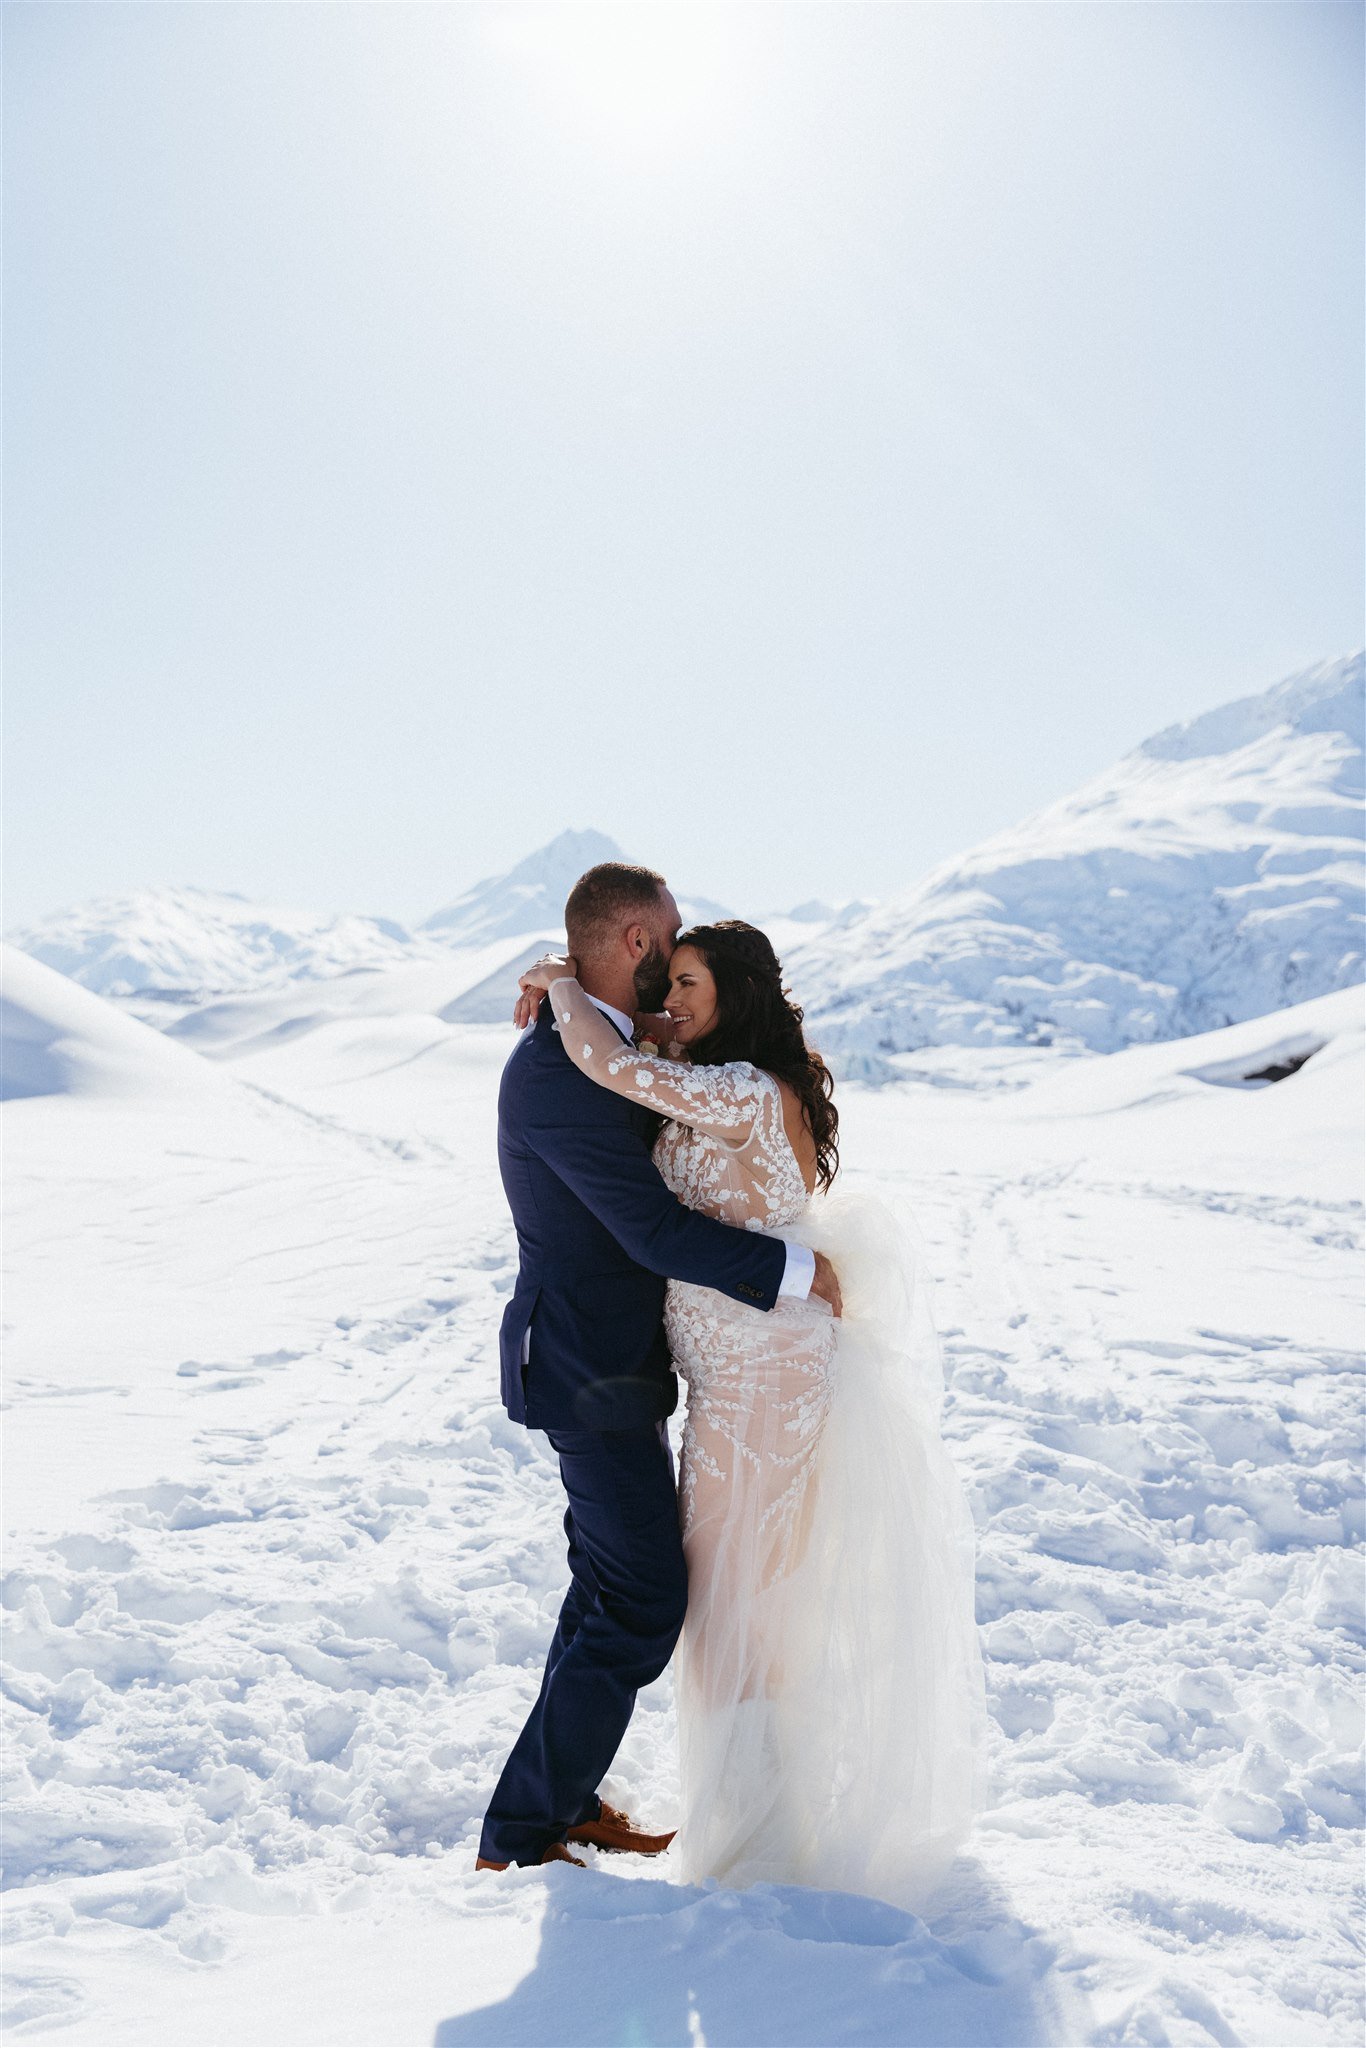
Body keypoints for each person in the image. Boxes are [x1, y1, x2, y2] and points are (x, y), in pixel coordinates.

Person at [514, 917, 988, 1908]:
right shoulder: (722, 1077)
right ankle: (755, 1815)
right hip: (737, 1376)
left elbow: (607, 1062)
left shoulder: (735, 1092)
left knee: (735, 1598)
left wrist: (563, 983)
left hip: (761, 1379)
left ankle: (757, 1842)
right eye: (664, 984)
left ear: (737, 992)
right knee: (739, 1594)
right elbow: (631, 1047)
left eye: (689, 984)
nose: (670, 1002)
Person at [476, 863, 842, 1872]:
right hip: (586, 1363)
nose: (674, 987)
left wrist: (559, 977)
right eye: (669, 948)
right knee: (640, 1597)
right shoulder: (561, 1070)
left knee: (609, 1586)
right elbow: (644, 1225)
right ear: (636, 940)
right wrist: (791, 1267)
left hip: (631, 1367)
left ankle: (557, 1799)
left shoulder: (610, 1045)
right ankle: (521, 1829)